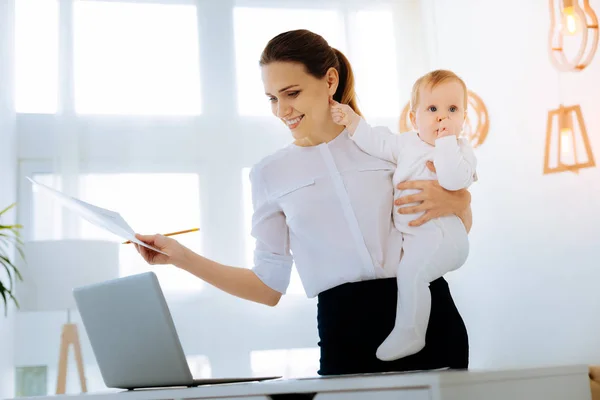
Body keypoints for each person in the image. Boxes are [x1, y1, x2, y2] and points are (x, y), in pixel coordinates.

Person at [134, 29, 473, 376]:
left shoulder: (385, 147)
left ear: (330, 81)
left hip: (429, 321)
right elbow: (268, 288)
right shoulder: (270, 174)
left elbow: (451, 222)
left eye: (292, 93)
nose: (283, 110)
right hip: (345, 336)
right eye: (272, 98)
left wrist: (460, 201)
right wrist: (181, 257)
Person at [329, 69, 477, 362]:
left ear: (463, 118)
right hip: (419, 238)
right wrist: (351, 121)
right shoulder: (406, 144)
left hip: (445, 236)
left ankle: (411, 332)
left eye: (452, 110)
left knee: (412, 274)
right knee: (411, 272)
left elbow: (453, 181)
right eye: (432, 109)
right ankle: (410, 329)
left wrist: (447, 144)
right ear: (414, 118)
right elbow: (376, 141)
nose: (442, 118)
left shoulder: (460, 150)